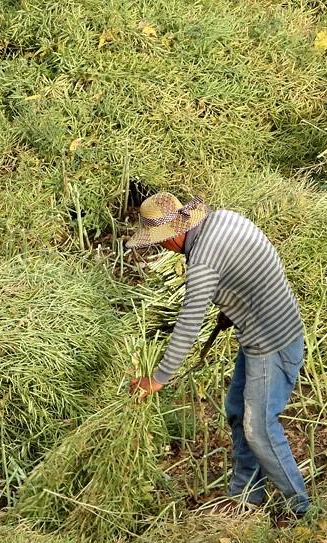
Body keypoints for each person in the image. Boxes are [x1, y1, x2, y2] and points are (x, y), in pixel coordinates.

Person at [126, 191, 310, 519]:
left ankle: (302, 510)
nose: (161, 248)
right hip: (267, 328)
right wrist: (234, 305)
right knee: (237, 409)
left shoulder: (202, 262)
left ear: (174, 235)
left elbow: (188, 324)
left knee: (259, 428)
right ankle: (245, 495)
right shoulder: (225, 219)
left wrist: (158, 378)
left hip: (272, 341)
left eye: (160, 241)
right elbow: (256, 263)